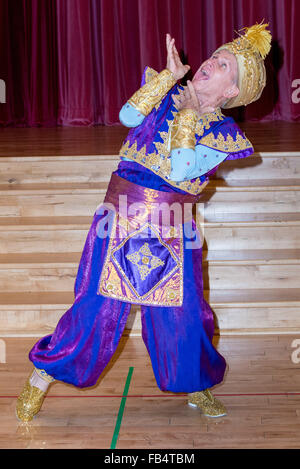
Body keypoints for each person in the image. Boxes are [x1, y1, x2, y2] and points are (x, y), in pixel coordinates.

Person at [16, 23, 271, 422]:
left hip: (172, 230)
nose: (210, 62)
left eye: (223, 65)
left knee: (183, 317)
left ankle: (195, 385)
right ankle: (41, 376)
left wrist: (189, 116)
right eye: (214, 55)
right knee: (96, 312)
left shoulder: (225, 134)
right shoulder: (165, 91)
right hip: (118, 222)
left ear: (231, 91)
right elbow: (127, 115)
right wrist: (168, 77)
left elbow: (182, 166)